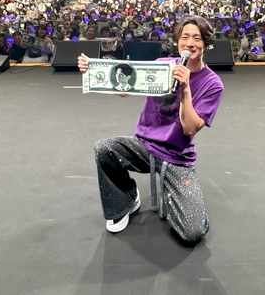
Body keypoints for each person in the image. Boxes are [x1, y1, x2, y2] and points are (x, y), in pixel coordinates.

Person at [79, 16, 224, 245]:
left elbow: (189, 128)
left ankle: (175, 196)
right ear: (177, 41)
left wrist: (185, 89)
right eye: (185, 37)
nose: (189, 43)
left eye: (197, 38)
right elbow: (125, 88)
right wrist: (94, 70)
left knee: (192, 232)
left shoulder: (212, 84)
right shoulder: (162, 65)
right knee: (104, 149)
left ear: (206, 44)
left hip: (177, 156)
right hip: (145, 145)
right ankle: (127, 200)